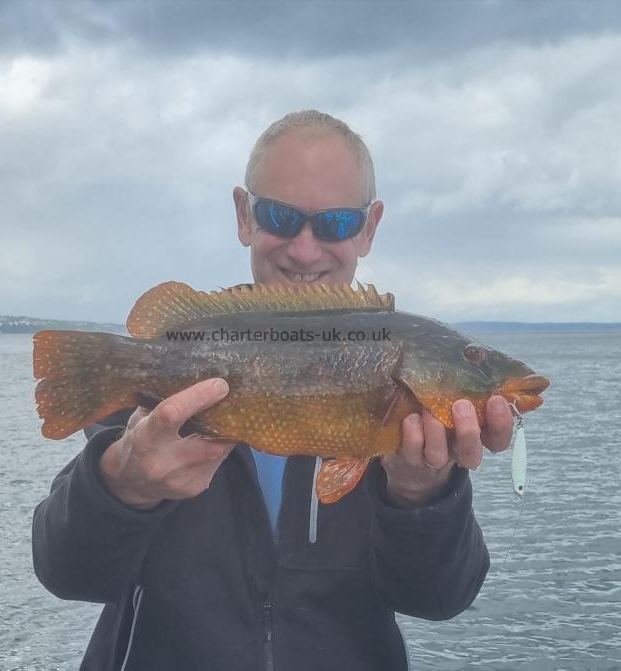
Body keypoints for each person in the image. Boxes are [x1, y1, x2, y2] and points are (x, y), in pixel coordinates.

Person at [32, 110, 514, 670]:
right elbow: (67, 572)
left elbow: (439, 598)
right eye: (281, 217)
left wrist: (421, 497)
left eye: (334, 224)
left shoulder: (411, 423)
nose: (304, 251)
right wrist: (123, 486)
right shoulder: (154, 396)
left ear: (369, 227)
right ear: (244, 215)